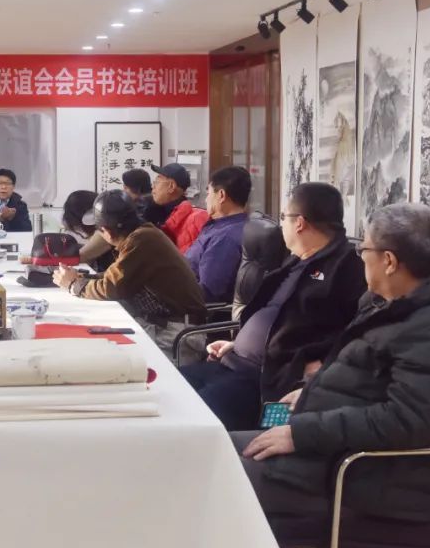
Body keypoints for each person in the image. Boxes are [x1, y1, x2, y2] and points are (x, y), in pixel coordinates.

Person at [233, 203, 430, 534]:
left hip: (365, 480)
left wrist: (302, 434)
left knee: (214, 480)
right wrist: (310, 392)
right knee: (210, 449)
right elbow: (362, 378)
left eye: (363, 249)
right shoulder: (393, 302)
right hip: (329, 450)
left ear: (389, 261)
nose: (360, 256)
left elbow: (406, 420)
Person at [179, 182, 366, 431]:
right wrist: (238, 343)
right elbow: (276, 317)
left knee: (188, 420)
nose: (281, 224)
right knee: (168, 389)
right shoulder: (295, 261)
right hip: (231, 361)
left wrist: (324, 365)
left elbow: (359, 332)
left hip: (264, 380)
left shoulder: (348, 268)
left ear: (299, 223)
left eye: (283, 217)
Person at [53, 191, 206, 351]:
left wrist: (73, 284)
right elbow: (116, 276)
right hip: (168, 325)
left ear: (107, 232)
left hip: (179, 334)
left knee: (98, 346)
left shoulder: (140, 241)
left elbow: (111, 288)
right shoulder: (142, 234)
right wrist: (82, 278)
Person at [184, 166, 252, 303]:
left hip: (186, 306)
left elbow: (207, 292)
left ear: (221, 195)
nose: (206, 200)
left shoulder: (225, 238)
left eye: (208, 193)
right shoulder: (225, 226)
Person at [144, 163, 209, 253]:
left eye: (157, 182)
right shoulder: (153, 213)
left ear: (171, 186)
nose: (153, 186)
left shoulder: (196, 219)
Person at [60, 189, 114, 270]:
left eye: (78, 226)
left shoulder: (106, 232)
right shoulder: (111, 224)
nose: (81, 231)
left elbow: (80, 258)